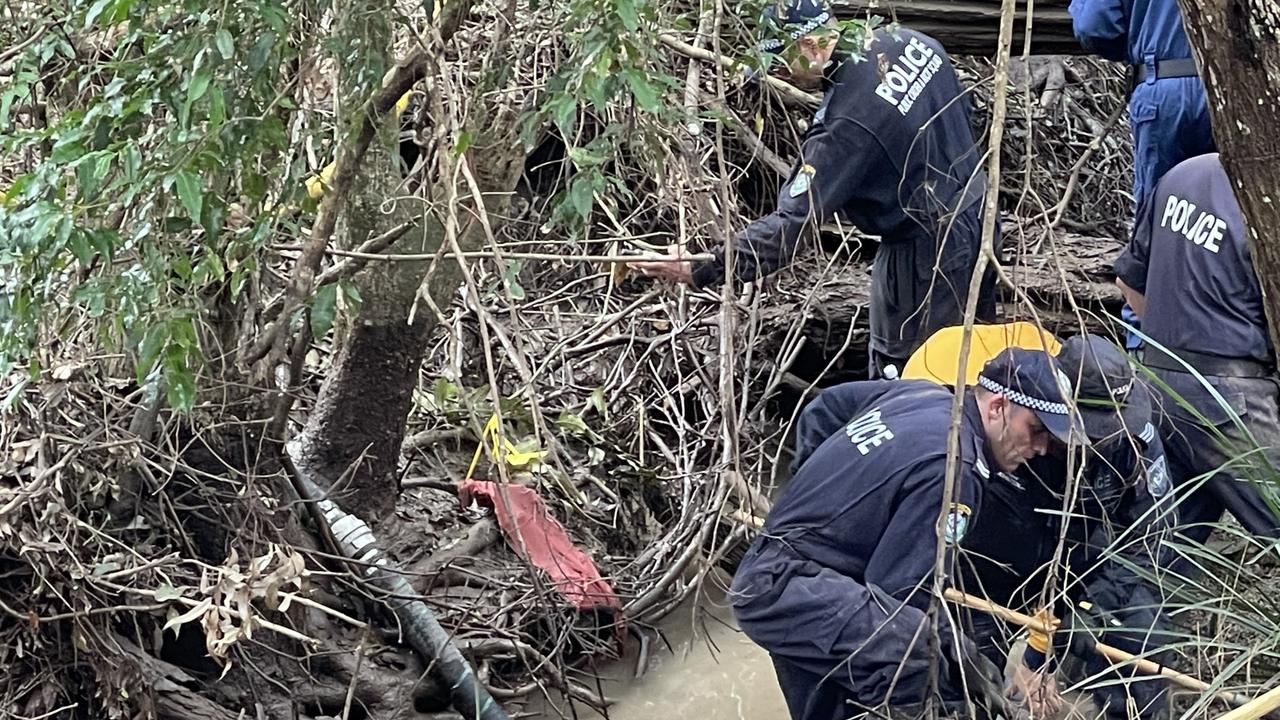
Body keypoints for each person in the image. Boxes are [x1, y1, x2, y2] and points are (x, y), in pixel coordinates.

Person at [794, 328, 1179, 719]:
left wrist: (1093, 607)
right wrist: (819, 501)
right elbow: (830, 409)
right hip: (981, 572)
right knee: (957, 681)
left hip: (1082, 564)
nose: (1089, 445)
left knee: (1138, 632)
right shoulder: (993, 410)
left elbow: (1151, 538)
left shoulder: (1137, 441)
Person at [630, 0, 997, 379]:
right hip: (980, 210)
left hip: (925, 255)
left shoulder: (846, 127)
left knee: (912, 377)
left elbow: (793, 224)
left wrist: (705, 266)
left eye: (780, 61)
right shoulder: (912, 42)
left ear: (809, 46)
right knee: (979, 360)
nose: (781, 75)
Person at [730, 347, 1083, 720]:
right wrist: (962, 655)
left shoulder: (922, 395)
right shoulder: (954, 471)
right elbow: (901, 597)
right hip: (795, 589)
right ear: (998, 406)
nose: (1043, 448)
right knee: (919, 657)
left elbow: (827, 407)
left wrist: (818, 500)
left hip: (792, 579)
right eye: (1037, 429)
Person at [1114, 152, 1280, 546]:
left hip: (1158, 385)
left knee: (1159, 553)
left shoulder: (1183, 174)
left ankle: (1107, 609)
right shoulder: (1266, 196)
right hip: (1232, 403)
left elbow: (1129, 284)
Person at [1069, 0, 1216, 349]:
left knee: (1158, 224)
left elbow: (1095, 25)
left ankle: (1149, 349)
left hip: (1163, 86)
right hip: (1241, 89)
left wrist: (1144, 41)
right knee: (1239, 214)